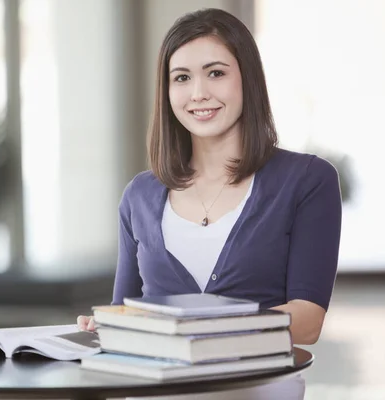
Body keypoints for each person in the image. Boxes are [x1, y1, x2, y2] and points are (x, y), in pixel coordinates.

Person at [77, 7, 342, 400]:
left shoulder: (307, 180)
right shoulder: (140, 195)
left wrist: (191, 329)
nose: (198, 93)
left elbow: (307, 322)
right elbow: (125, 312)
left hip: (258, 391)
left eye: (215, 73)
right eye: (182, 78)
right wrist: (104, 325)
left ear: (247, 80)